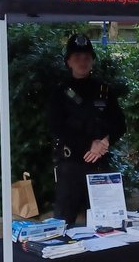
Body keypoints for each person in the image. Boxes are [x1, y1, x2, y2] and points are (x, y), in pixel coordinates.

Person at [49, 34, 126, 225]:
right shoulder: (60, 92)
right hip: (72, 166)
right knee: (63, 224)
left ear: (92, 60)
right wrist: (89, 144)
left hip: (99, 164)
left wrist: (105, 142)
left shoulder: (103, 90)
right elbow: (57, 127)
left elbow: (119, 123)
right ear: (68, 61)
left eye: (86, 58)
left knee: (107, 224)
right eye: (77, 58)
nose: (82, 62)